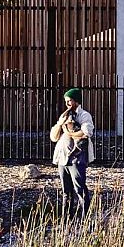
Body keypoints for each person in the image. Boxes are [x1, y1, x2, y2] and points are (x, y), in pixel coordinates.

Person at [50, 86, 95, 216]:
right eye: (66, 101)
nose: (67, 103)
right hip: (62, 157)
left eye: (69, 100)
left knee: (79, 188)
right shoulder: (64, 115)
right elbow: (53, 137)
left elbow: (87, 132)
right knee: (66, 191)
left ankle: (85, 217)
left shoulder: (84, 115)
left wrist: (69, 133)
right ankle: (67, 218)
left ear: (76, 101)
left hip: (77, 157)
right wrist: (60, 124)